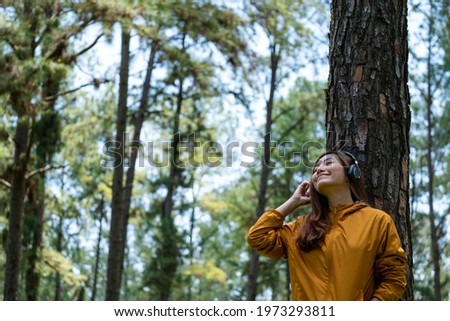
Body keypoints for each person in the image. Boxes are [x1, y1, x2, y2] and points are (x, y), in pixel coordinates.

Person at [247, 150, 407, 301]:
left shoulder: (377, 221)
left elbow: (394, 277)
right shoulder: (300, 227)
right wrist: (293, 202)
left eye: (328, 163)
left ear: (351, 173)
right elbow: (257, 238)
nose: (318, 170)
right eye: (315, 169)